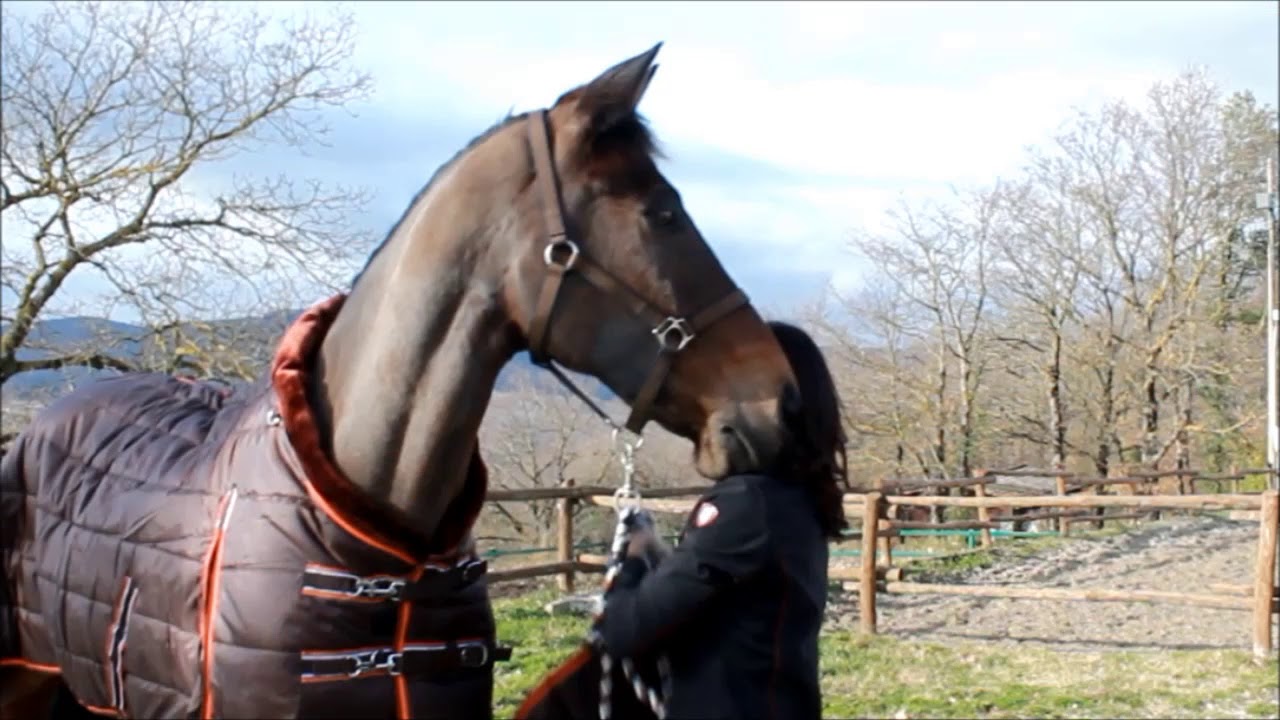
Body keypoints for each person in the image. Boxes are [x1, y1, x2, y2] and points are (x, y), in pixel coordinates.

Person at [593, 320, 849, 720]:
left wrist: (633, 558)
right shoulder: (795, 497)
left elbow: (623, 631)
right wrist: (665, 560)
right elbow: (725, 599)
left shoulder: (748, 505)